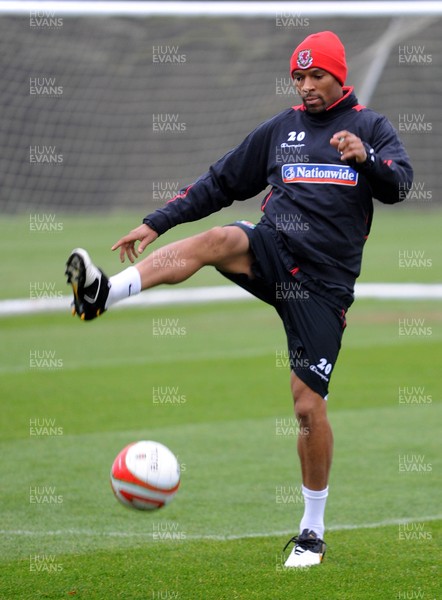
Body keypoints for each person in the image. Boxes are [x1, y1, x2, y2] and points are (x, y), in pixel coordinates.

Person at [65, 31, 413, 567]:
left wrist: (365, 159)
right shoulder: (282, 129)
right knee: (222, 238)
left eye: (315, 74)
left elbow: (399, 186)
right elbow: (221, 181)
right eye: (298, 77)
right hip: (272, 249)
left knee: (306, 406)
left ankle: (312, 533)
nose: (306, 85)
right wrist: (156, 222)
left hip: (323, 285)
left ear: (338, 75)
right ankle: (103, 294)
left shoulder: (371, 128)